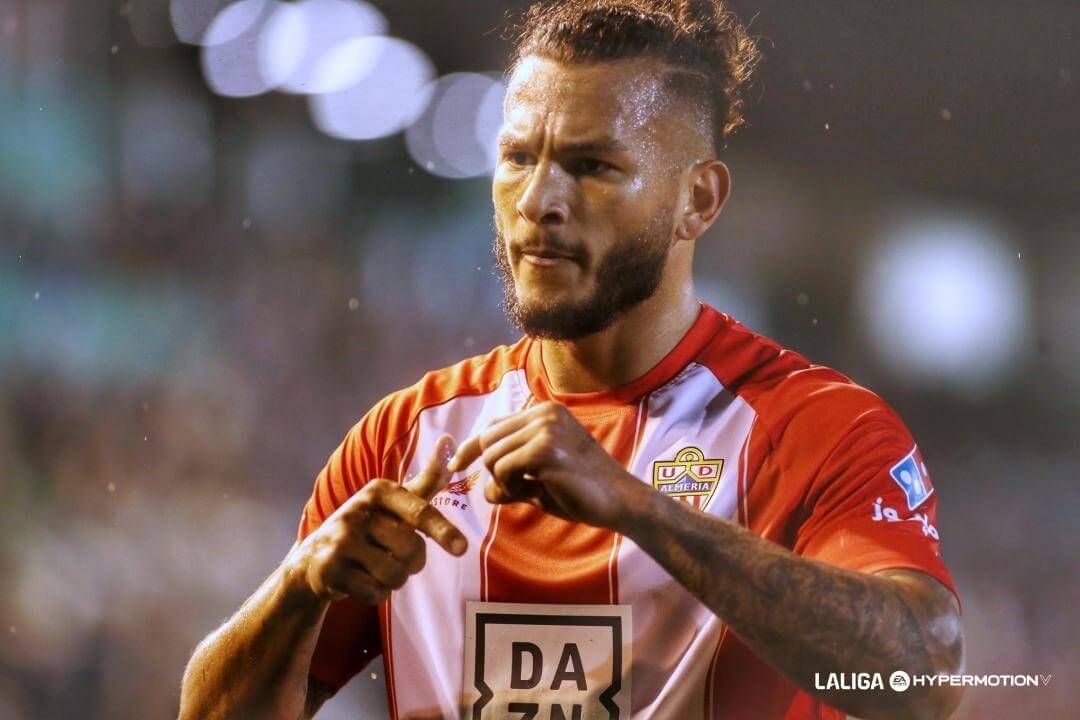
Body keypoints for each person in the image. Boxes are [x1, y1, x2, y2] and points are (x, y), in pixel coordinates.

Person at [179, 1, 964, 718]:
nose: (538, 201)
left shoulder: (812, 427)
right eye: (518, 158)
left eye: (593, 168)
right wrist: (299, 588)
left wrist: (641, 509)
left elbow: (925, 679)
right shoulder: (407, 440)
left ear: (699, 200)